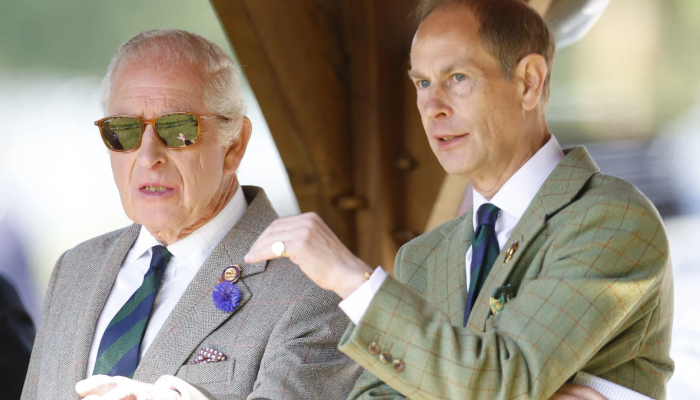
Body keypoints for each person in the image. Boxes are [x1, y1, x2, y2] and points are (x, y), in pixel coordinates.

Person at [244, 0, 674, 399]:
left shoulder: (613, 219)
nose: (432, 107)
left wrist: (351, 279)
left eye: (458, 78)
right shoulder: (422, 258)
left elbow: (503, 382)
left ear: (529, 82)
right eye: (422, 83)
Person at [22, 29, 361, 400]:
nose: (148, 157)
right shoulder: (75, 270)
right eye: (124, 130)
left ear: (234, 144)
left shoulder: (313, 288)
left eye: (177, 129)